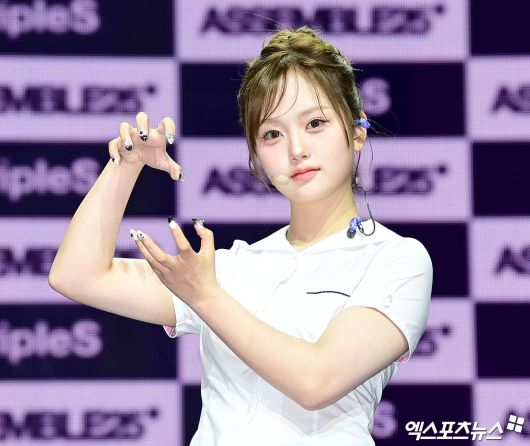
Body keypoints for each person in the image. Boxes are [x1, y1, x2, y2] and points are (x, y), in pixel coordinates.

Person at [49, 25, 433, 446]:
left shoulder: (396, 258)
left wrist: (206, 297)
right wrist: (127, 165)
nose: (296, 150)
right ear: (256, 154)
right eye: (272, 134)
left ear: (357, 134)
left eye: (315, 123)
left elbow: (317, 381)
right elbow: (76, 275)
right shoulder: (229, 268)